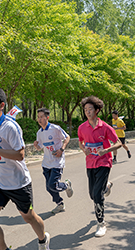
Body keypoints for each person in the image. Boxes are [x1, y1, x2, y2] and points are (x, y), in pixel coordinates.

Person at [0, 88, 50, 250]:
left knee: (29, 217)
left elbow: (20, 154)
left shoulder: (11, 127)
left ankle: (43, 240)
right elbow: (0, 150)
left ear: (1, 106)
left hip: (18, 183)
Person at [77, 96, 121, 237]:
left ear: (97, 110)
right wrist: (84, 150)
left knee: (97, 195)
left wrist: (107, 150)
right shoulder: (82, 128)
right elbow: (80, 142)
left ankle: (101, 223)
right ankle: (106, 187)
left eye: (90, 109)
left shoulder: (106, 127)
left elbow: (118, 143)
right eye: (85, 110)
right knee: (92, 194)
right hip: (90, 163)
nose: (87, 112)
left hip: (104, 162)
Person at [33, 107, 73, 214]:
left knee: (52, 185)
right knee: (49, 188)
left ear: (47, 117)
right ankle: (60, 204)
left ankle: (66, 185)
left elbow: (67, 137)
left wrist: (61, 149)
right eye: (38, 117)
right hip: (46, 163)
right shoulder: (39, 133)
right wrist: (36, 146)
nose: (39, 119)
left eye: (41, 117)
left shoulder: (55, 128)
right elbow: (40, 147)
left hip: (57, 162)